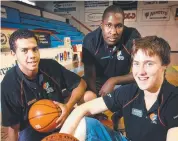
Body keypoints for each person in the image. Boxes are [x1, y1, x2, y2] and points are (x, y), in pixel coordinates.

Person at [60, 36, 178, 141]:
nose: (140, 72)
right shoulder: (129, 92)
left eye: (149, 64)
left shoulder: (174, 100)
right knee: (83, 124)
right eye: (136, 63)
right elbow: (82, 109)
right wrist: (60, 138)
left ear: (165, 65)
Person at [1, 29, 95, 141]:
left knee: (90, 96)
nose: (32, 55)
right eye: (24, 50)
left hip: (60, 114)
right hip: (32, 127)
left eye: (35, 49)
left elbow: (81, 84)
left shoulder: (50, 66)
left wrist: (68, 107)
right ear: (13, 54)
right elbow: (13, 128)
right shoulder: (9, 84)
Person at [82, 5, 141, 97]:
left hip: (122, 82)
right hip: (97, 85)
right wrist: (96, 97)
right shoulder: (91, 40)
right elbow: (89, 75)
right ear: (101, 25)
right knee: (87, 97)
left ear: (123, 25)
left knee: (144, 89)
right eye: (108, 25)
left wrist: (113, 80)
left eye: (119, 26)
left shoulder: (132, 36)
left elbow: (139, 71)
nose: (113, 32)